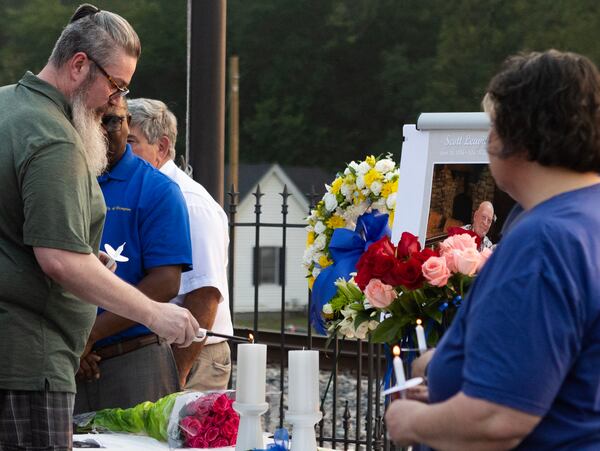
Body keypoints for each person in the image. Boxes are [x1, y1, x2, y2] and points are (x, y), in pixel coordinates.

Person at [0, 5, 198, 450]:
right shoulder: (53, 138)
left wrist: (88, 258)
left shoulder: (6, 105)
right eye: (116, 85)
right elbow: (60, 260)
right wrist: (154, 313)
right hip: (28, 366)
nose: (117, 101)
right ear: (78, 65)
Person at [386, 50, 600, 450]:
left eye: (494, 126)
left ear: (520, 135)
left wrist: (414, 421)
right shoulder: (584, 215)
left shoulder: (545, 240)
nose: (487, 141)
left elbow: (499, 417)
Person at [74, 98, 193, 413]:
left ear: (127, 125)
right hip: (68, 358)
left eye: (113, 120)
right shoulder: (65, 178)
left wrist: (91, 336)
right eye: (93, 118)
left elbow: (166, 282)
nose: (103, 129)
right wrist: (76, 345)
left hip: (134, 360)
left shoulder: (157, 190)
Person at [127, 98, 234, 391]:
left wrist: (176, 374)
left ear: (161, 148)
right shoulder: (146, 193)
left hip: (193, 355)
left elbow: (204, 295)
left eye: (131, 141)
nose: (120, 150)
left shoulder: (192, 204)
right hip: (162, 350)